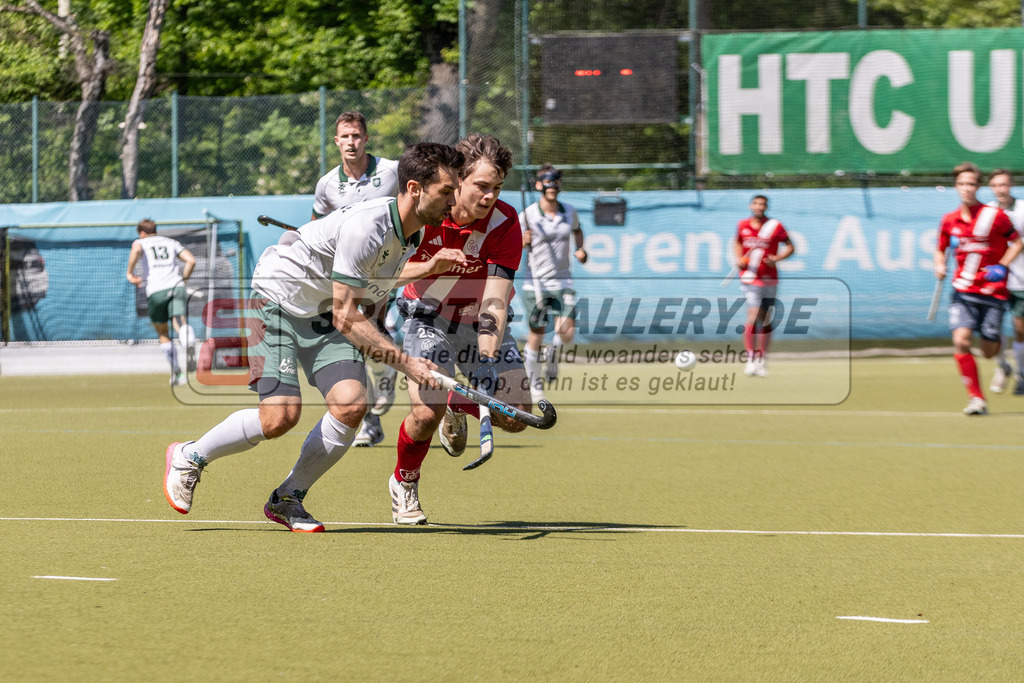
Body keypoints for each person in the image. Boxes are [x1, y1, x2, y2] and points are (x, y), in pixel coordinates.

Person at [163, 142, 468, 532]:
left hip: (322, 309)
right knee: (279, 417)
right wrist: (406, 362)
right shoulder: (368, 227)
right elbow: (346, 313)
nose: (453, 201)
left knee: (352, 404)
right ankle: (190, 456)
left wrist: (427, 267)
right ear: (413, 188)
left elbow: (370, 279)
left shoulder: (411, 231)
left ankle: (288, 498)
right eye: (446, 191)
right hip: (277, 300)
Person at [389, 133, 530, 525]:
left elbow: (496, 300)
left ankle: (458, 400)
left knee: (517, 415)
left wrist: (486, 356)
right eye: (482, 186)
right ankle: (404, 483)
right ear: (459, 181)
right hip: (427, 316)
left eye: (497, 187)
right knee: (424, 411)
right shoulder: (427, 211)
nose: (489, 196)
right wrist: (431, 266)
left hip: (477, 321)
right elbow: (386, 273)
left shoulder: (505, 222)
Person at [312, 110, 402, 448]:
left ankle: (386, 372)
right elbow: (316, 224)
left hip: (386, 267)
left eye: (356, 136)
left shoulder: (392, 171)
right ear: (336, 141)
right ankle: (371, 419)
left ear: (366, 139)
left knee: (364, 329)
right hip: (347, 271)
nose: (351, 142)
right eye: (344, 136)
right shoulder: (327, 184)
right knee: (352, 337)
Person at [934, 162, 1022, 416]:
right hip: (962, 290)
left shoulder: (995, 216)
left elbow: (1016, 243)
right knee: (960, 340)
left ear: (978, 187)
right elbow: (940, 249)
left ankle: (1001, 362)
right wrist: (939, 265)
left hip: (993, 292)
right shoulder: (949, 220)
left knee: (987, 351)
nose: (966, 188)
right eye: (962, 184)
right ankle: (976, 399)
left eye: (971, 184)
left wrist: (1002, 266)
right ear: (956, 187)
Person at [518, 164, 587, 403]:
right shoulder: (527, 215)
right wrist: (521, 240)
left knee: (566, 332)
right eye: (548, 181)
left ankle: (554, 354)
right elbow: (511, 247)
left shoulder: (569, 212)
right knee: (536, 335)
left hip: (562, 281)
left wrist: (580, 250)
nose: (552, 185)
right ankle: (535, 386)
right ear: (539, 185)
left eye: (556, 181)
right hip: (535, 283)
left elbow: (577, 231)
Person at [126, 219, 196, 386]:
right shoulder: (171, 242)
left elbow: (136, 249)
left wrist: (129, 273)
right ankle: (188, 341)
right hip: (176, 286)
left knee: (163, 332)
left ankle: (178, 374)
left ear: (142, 233)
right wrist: (183, 281)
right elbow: (191, 260)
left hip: (156, 290)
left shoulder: (141, 242)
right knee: (180, 320)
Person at [732, 195, 794, 377]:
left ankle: (761, 359)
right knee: (753, 314)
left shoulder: (774, 226)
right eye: (756, 203)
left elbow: (790, 247)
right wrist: (739, 259)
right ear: (751, 205)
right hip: (750, 278)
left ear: (766, 206)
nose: (759, 207)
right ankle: (750, 358)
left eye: (762, 204)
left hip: (769, 278)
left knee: (766, 319)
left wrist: (776, 258)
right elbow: (738, 242)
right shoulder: (743, 225)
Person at [985, 169, 1024, 395]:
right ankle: (1003, 366)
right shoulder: (987, 212)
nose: (1000, 189)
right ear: (991, 187)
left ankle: (1021, 373)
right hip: (994, 282)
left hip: (1020, 280)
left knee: (1020, 330)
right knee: (991, 329)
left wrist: (1005, 263)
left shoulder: (1022, 209)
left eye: (1004, 184)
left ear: (1010, 186)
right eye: (996, 185)